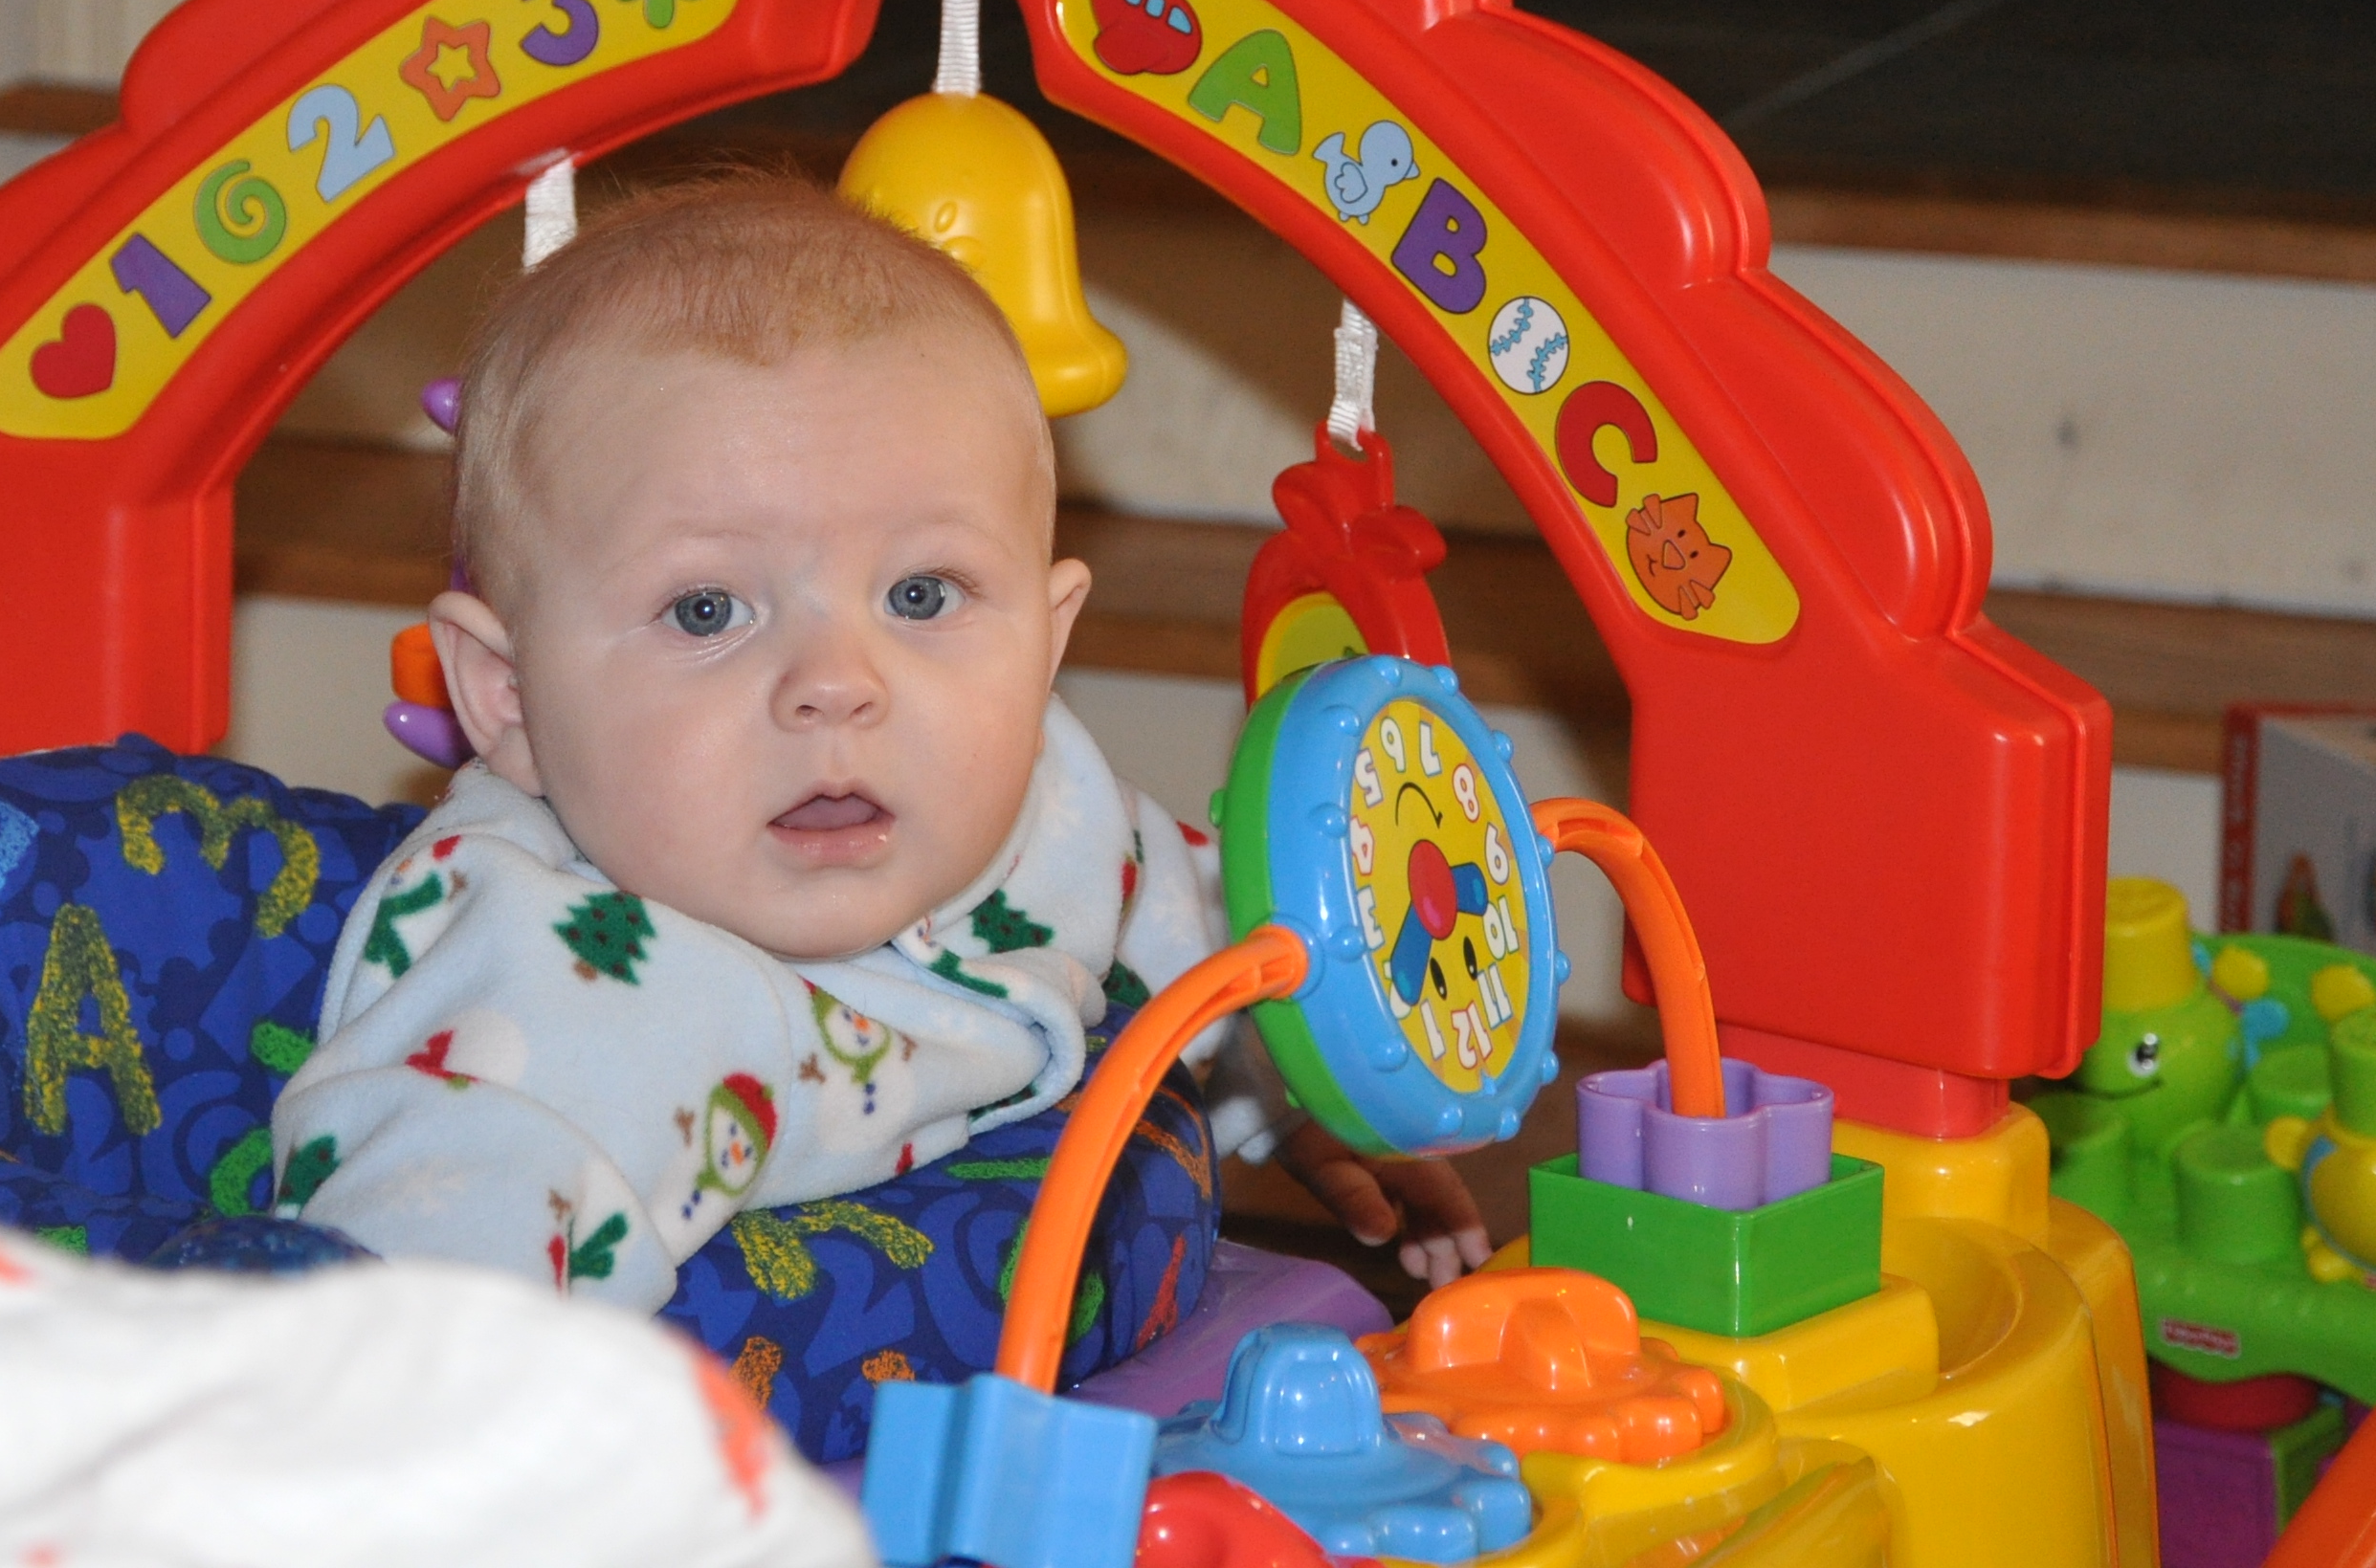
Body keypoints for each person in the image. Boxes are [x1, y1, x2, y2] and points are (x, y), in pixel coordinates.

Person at [268, 173, 1491, 1314]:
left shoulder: (1052, 808)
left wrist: (1303, 1097)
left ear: (1045, 642)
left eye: (920, 595)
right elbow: (420, 1303)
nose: (837, 684)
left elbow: (1204, 937)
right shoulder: (551, 987)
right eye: (707, 610)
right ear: (508, 698)